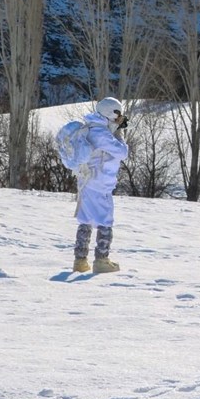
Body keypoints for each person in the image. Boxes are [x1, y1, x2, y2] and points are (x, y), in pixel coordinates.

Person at [72, 96, 130, 274]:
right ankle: (101, 260)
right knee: (105, 221)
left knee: (86, 221)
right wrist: (119, 134)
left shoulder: (91, 128)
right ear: (110, 113)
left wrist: (114, 128)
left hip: (88, 182)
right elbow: (122, 152)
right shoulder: (101, 134)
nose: (119, 118)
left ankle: (80, 261)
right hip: (100, 183)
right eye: (117, 114)